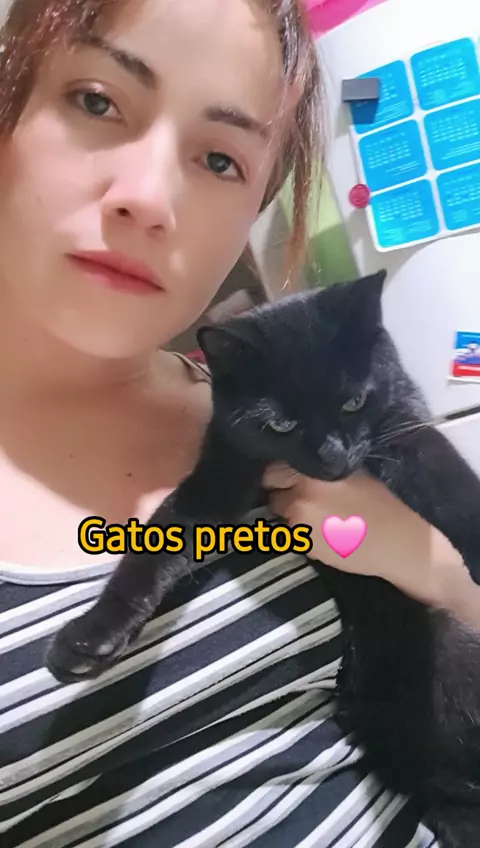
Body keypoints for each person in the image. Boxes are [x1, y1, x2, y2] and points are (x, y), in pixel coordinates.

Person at [0, 0, 478, 845]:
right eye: (97, 101)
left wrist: (438, 573)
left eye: (220, 158)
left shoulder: (278, 417)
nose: (148, 198)